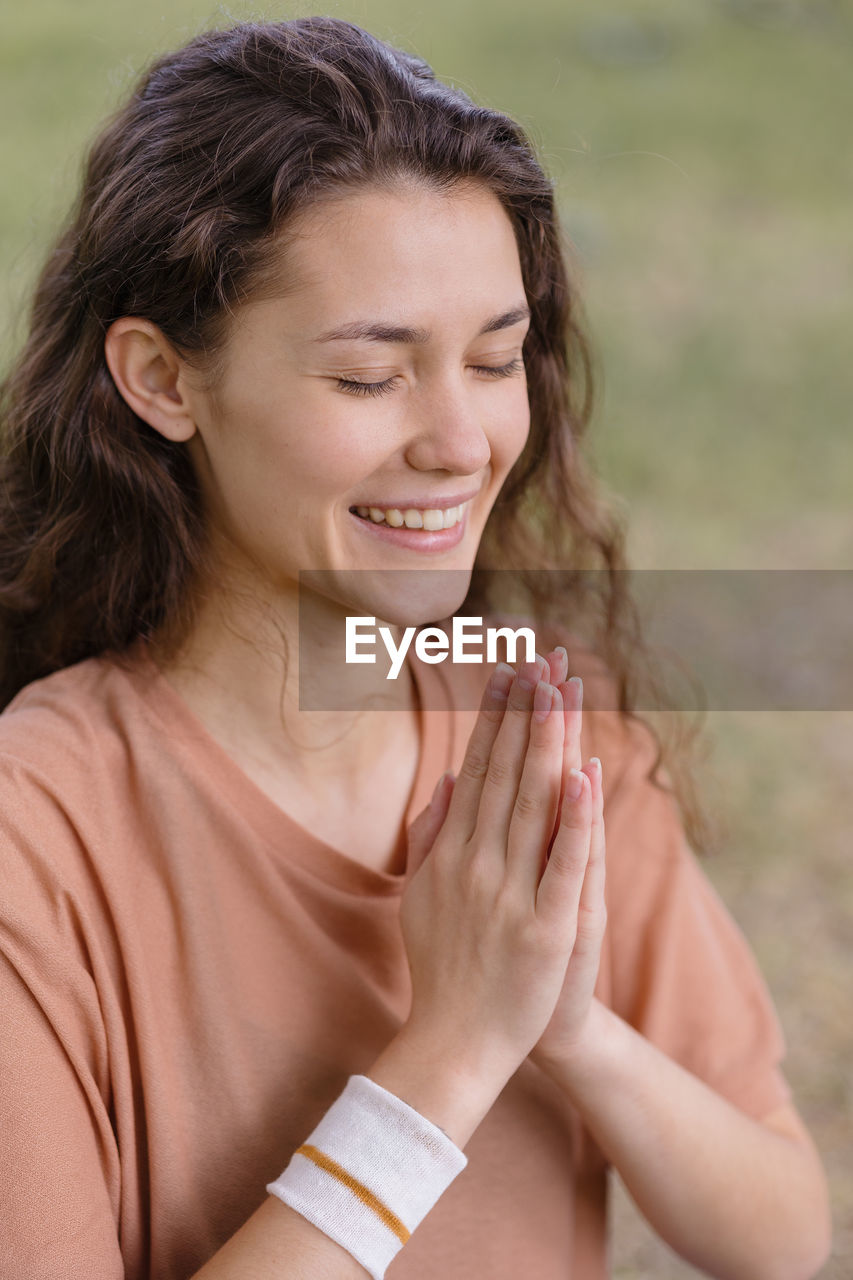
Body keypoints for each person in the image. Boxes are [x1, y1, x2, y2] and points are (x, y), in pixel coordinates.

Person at [0, 16, 831, 1280]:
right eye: (370, 377)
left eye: (497, 358)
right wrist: (453, 1044)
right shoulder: (37, 832)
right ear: (162, 380)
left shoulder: (552, 735)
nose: (461, 441)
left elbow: (781, 1230)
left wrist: (570, 1027)